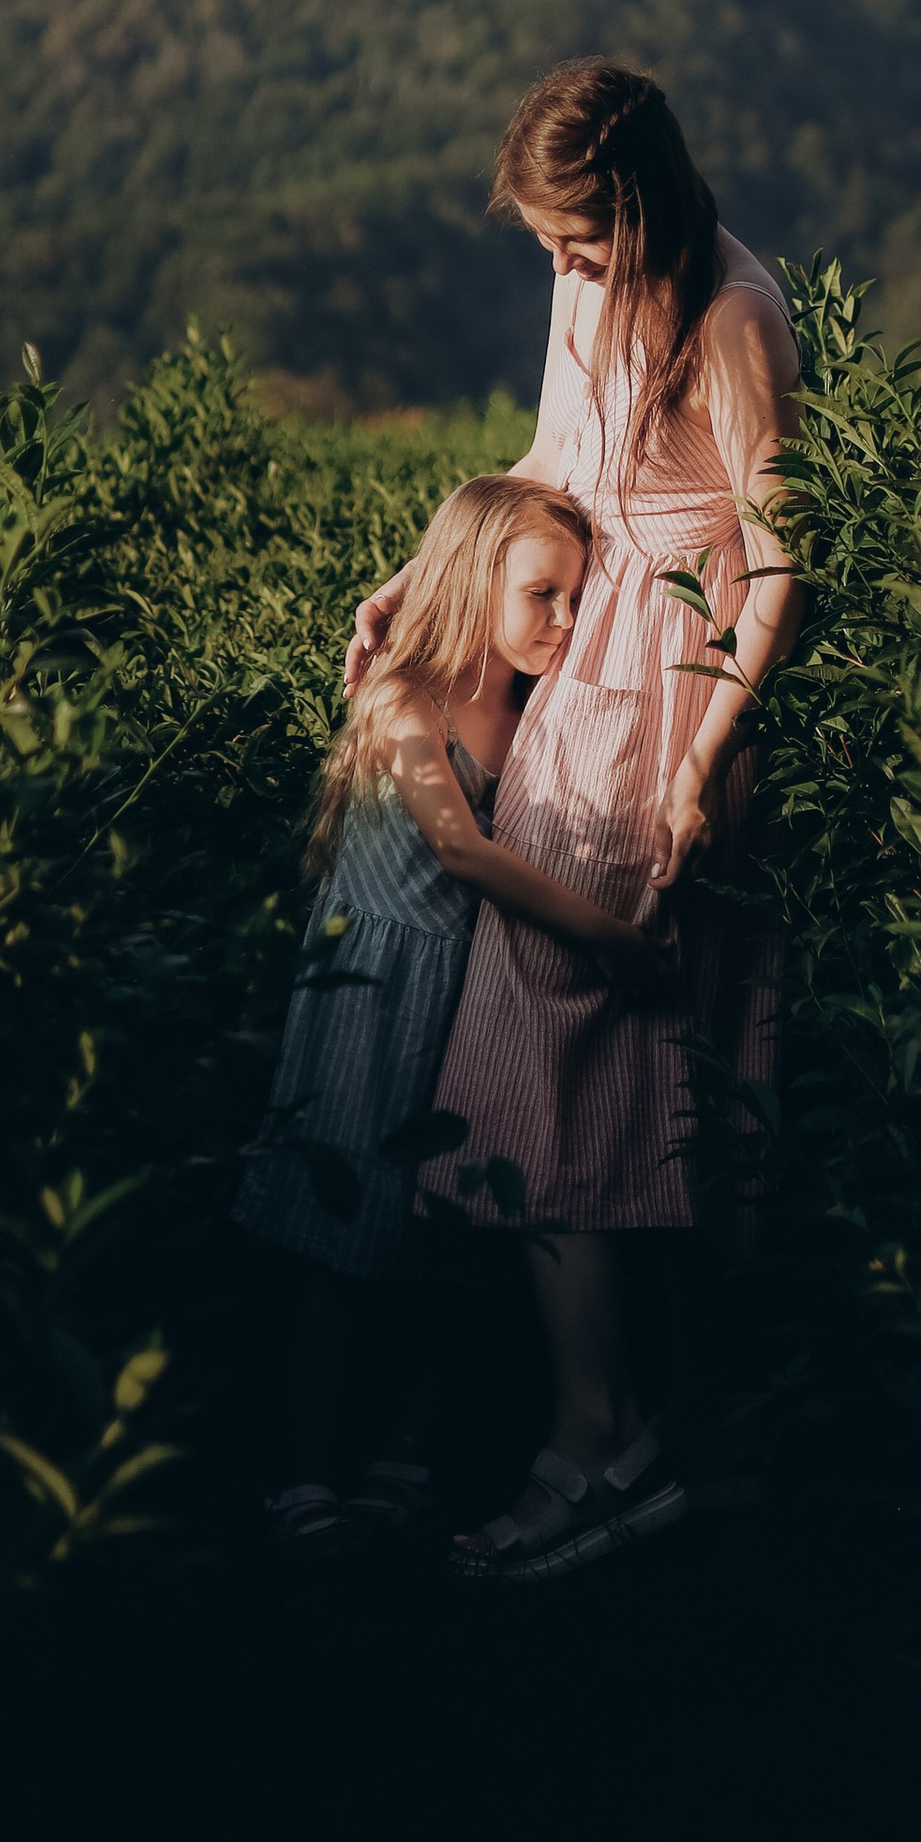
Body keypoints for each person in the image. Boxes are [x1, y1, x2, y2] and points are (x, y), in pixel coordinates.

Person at [343, 59, 802, 1584]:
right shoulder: (590, 287)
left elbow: (783, 556)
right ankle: (622, 1435)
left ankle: (606, 1445)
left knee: (555, 1060)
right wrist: (427, 576)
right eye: (546, 246)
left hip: (661, 687)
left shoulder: (736, 317)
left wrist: (705, 753)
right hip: (583, 667)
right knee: (554, 1064)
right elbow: (552, 462)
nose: (560, 271)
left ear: (641, 200)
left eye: (577, 243)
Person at [237, 471, 657, 1553]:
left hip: (464, 997)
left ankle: (405, 1456)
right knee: (343, 1241)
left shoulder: (524, 706)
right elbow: (458, 849)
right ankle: (301, 1475)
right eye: (540, 597)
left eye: (574, 599)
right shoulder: (400, 699)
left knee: (454, 1243)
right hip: (374, 996)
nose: (562, 624)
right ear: (471, 581)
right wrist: (609, 939)